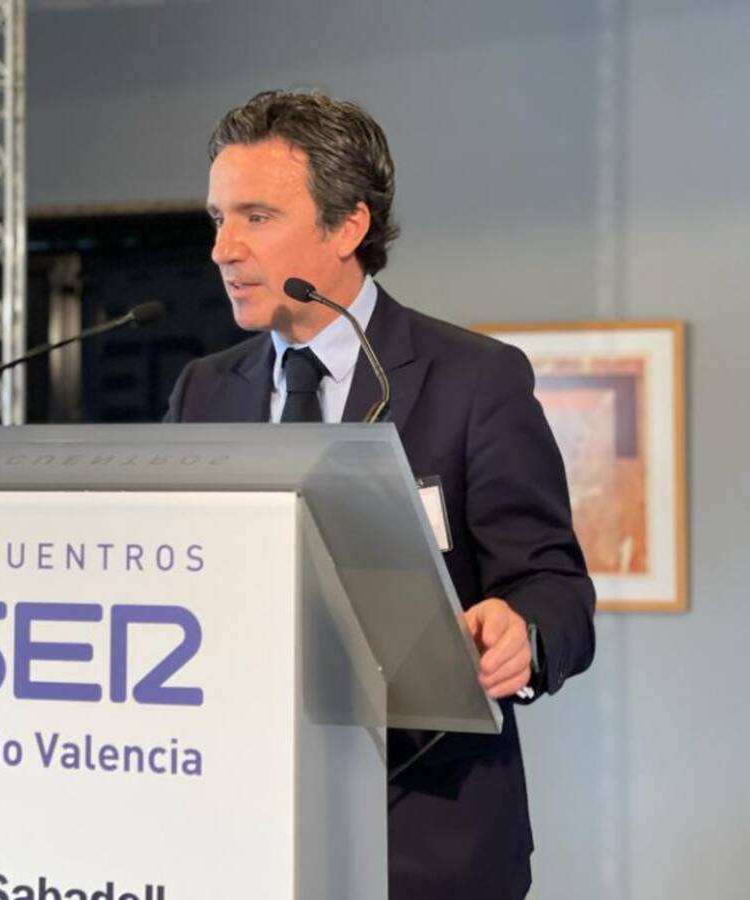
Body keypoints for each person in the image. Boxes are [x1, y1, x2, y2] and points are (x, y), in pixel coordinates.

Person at [166, 90, 596, 899]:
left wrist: (524, 632)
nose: (223, 249)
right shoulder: (202, 391)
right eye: (218, 218)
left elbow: (554, 585)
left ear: (348, 226)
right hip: (242, 833)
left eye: (256, 217)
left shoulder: (474, 380)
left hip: (426, 839)